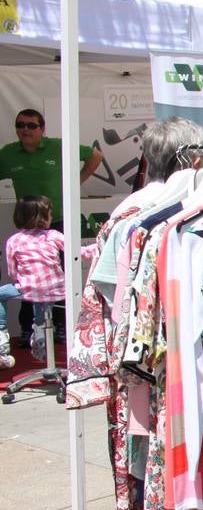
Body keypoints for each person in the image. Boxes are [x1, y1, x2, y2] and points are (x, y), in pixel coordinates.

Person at [1, 109, 104, 343]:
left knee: (60, 274)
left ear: (42, 128)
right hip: (27, 226)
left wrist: (75, 182)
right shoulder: (8, 153)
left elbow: (96, 155)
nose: (25, 129)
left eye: (31, 125)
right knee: (29, 277)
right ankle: (30, 328)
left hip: (58, 220)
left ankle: (63, 326)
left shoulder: (58, 146)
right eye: (20, 125)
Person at [0, 195, 72, 366]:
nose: (52, 218)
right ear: (42, 218)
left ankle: (2, 337)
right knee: (42, 298)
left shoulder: (14, 240)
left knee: (5, 294)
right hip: (57, 288)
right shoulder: (54, 235)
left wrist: (23, 280)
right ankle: (40, 332)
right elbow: (77, 252)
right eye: (50, 214)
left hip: (30, 288)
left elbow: (12, 271)